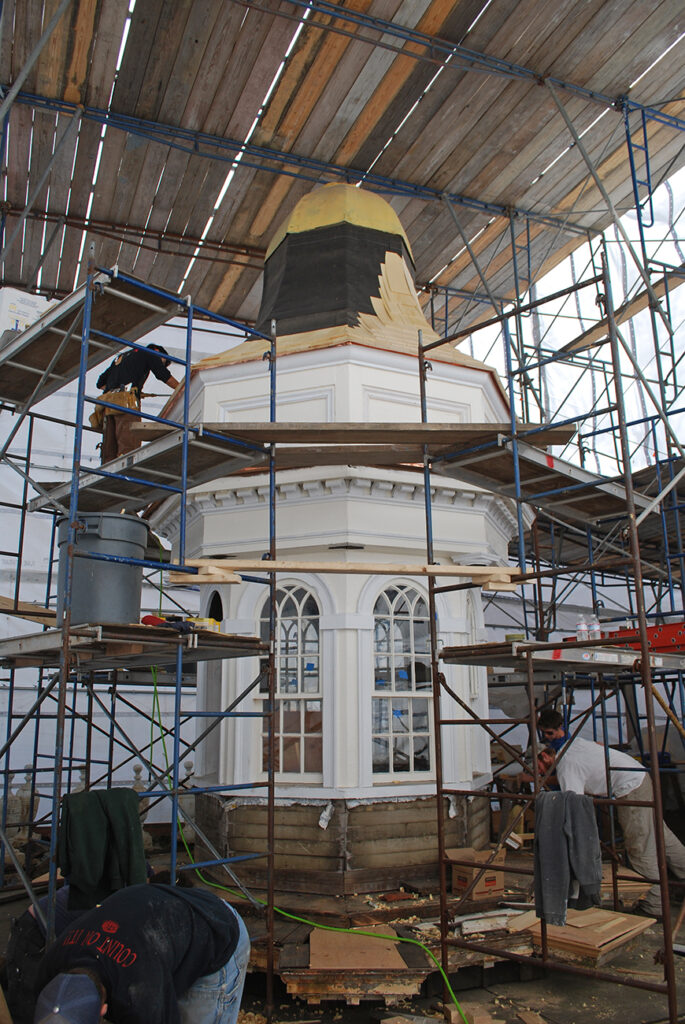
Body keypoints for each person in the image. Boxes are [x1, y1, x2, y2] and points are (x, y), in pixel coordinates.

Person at [537, 708, 685, 916]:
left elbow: (573, 803)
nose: (548, 738)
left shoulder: (567, 764)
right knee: (660, 835)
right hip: (638, 778)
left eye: (550, 734)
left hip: (630, 789)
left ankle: (655, 906)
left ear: (545, 756)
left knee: (640, 845)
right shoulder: (576, 743)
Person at [33, 883, 250, 1024]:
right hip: (158, 921)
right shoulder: (48, 970)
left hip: (215, 928)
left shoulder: (139, 996)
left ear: (104, 1010)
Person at [93, 344, 181, 463]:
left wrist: (122, 389)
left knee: (110, 444)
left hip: (108, 403)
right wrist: (182, 388)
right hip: (126, 402)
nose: (160, 364)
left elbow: (100, 383)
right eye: (163, 362)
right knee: (128, 441)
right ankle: (127, 469)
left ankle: (106, 468)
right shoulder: (151, 353)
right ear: (157, 351)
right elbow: (163, 375)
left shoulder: (122, 357)